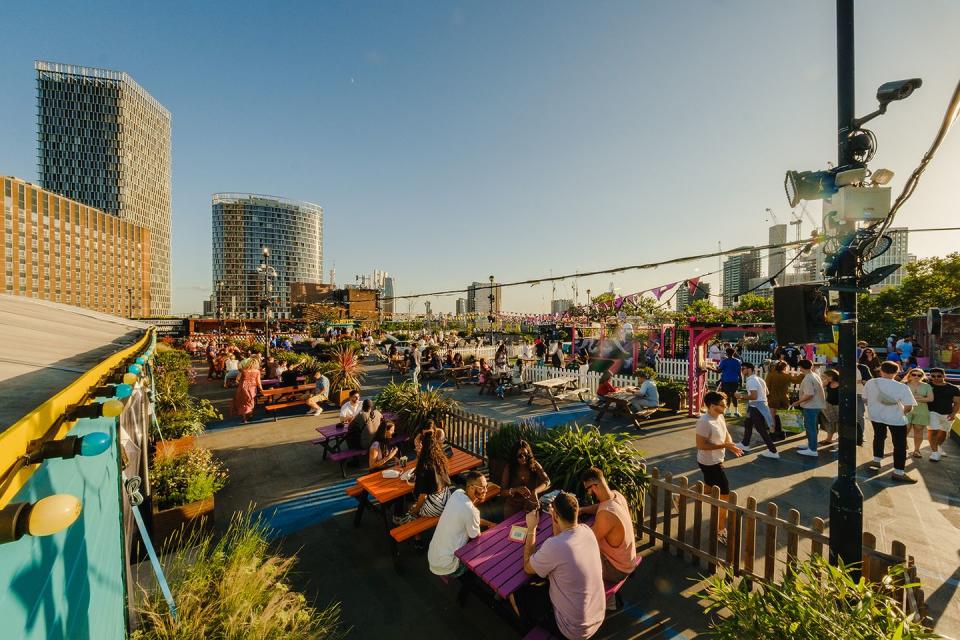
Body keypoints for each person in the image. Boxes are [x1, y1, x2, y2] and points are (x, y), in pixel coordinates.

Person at [521, 492, 605, 640]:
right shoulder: (586, 531)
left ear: (555, 516)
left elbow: (527, 567)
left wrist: (531, 529)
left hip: (573, 629)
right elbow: (560, 537)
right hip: (597, 616)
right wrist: (556, 518)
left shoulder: (554, 546)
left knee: (522, 594)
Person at [578, 467, 638, 607]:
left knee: (578, 557)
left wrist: (567, 526)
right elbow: (600, 505)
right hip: (628, 559)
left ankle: (607, 602)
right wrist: (582, 510)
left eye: (588, 489)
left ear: (594, 486)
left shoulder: (606, 514)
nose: (588, 492)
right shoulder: (617, 496)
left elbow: (587, 540)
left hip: (617, 570)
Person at [695, 391, 743, 544]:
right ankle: (719, 530)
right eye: (722, 405)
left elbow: (726, 432)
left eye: (725, 404)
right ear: (712, 406)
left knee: (709, 488)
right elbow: (701, 445)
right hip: (709, 463)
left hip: (717, 459)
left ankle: (679, 496)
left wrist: (731, 446)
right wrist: (724, 445)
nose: (726, 406)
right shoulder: (704, 421)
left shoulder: (720, 416)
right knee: (725, 496)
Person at [428, 470, 495, 576]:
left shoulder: (457, 493)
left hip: (433, 557)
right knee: (487, 552)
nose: (485, 490)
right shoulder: (471, 511)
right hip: (448, 566)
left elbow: (470, 518)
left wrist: (489, 524)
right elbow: (477, 539)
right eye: (482, 487)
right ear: (471, 487)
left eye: (486, 486)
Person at [863, 361, 917, 482]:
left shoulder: (871, 383)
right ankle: (898, 472)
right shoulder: (902, 387)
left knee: (878, 436)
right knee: (899, 445)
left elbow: (865, 399)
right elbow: (908, 406)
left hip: (876, 416)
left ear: (881, 370)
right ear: (896, 372)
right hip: (896, 418)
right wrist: (903, 412)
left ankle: (876, 460)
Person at [395, 431, 451, 533]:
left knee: (410, 506)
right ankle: (417, 538)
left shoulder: (424, 465)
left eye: (419, 444)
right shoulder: (440, 459)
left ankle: (413, 536)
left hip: (436, 505)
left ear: (423, 446)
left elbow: (423, 496)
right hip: (447, 497)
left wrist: (414, 510)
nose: (417, 446)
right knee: (415, 507)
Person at [736, 362, 779, 459]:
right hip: (756, 406)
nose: (742, 370)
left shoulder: (751, 381)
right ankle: (745, 444)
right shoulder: (759, 379)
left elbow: (754, 396)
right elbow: (766, 392)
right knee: (748, 423)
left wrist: (741, 397)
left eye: (743, 368)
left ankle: (773, 451)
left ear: (749, 369)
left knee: (760, 429)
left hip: (756, 407)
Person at [501, 439, 551, 519]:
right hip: (513, 507)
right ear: (514, 456)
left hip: (530, 506)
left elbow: (547, 481)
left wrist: (535, 491)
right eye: (520, 456)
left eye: (526, 455)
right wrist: (516, 490)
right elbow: (502, 492)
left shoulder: (534, 465)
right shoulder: (509, 468)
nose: (523, 458)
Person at [791, 359, 825, 457]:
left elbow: (809, 394)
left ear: (801, 367)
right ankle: (811, 445)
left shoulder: (807, 379)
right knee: (813, 427)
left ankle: (812, 449)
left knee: (811, 428)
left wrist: (797, 402)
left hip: (811, 406)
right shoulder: (815, 375)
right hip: (817, 405)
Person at [927, 367, 960, 462]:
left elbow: (957, 403)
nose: (936, 378)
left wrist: (954, 413)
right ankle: (935, 453)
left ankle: (937, 447)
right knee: (933, 431)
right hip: (931, 412)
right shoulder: (927, 386)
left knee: (943, 433)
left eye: (939, 376)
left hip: (947, 413)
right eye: (933, 376)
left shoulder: (953, 388)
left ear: (944, 376)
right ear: (930, 376)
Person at [764, 360, 803, 439]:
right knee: (783, 416)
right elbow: (797, 380)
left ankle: (772, 433)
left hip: (773, 398)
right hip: (784, 399)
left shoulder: (771, 375)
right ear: (785, 367)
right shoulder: (787, 375)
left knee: (772, 416)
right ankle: (783, 433)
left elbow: (766, 388)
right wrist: (803, 374)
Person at [904, 368, 933, 458]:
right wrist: (921, 398)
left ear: (922, 376)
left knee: (918, 430)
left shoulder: (926, 386)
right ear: (910, 375)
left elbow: (930, 399)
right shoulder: (903, 384)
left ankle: (916, 450)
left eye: (919, 375)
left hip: (921, 410)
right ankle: (902, 446)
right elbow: (899, 398)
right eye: (914, 374)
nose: (916, 376)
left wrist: (912, 398)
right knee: (904, 429)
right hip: (906, 409)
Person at [233, 356, 263, 424]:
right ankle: (250, 414)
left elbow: (237, 379)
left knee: (243, 403)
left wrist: (241, 381)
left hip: (243, 388)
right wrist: (261, 389)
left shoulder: (243, 371)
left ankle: (244, 419)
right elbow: (258, 382)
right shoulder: (257, 371)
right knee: (251, 401)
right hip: (252, 388)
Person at [716, 348, 743, 417]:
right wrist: (741, 381)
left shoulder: (724, 361)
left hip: (726, 380)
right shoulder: (738, 361)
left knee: (726, 396)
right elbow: (740, 372)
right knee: (734, 396)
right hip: (735, 380)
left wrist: (712, 368)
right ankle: (736, 411)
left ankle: (727, 411)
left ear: (727, 353)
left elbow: (719, 371)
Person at [819, 369, 841, 446]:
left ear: (832, 376)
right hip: (829, 405)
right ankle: (829, 439)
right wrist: (825, 382)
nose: (825, 378)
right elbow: (820, 387)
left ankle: (840, 438)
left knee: (839, 422)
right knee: (830, 422)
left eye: (826, 377)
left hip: (838, 406)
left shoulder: (841, 383)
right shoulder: (828, 383)